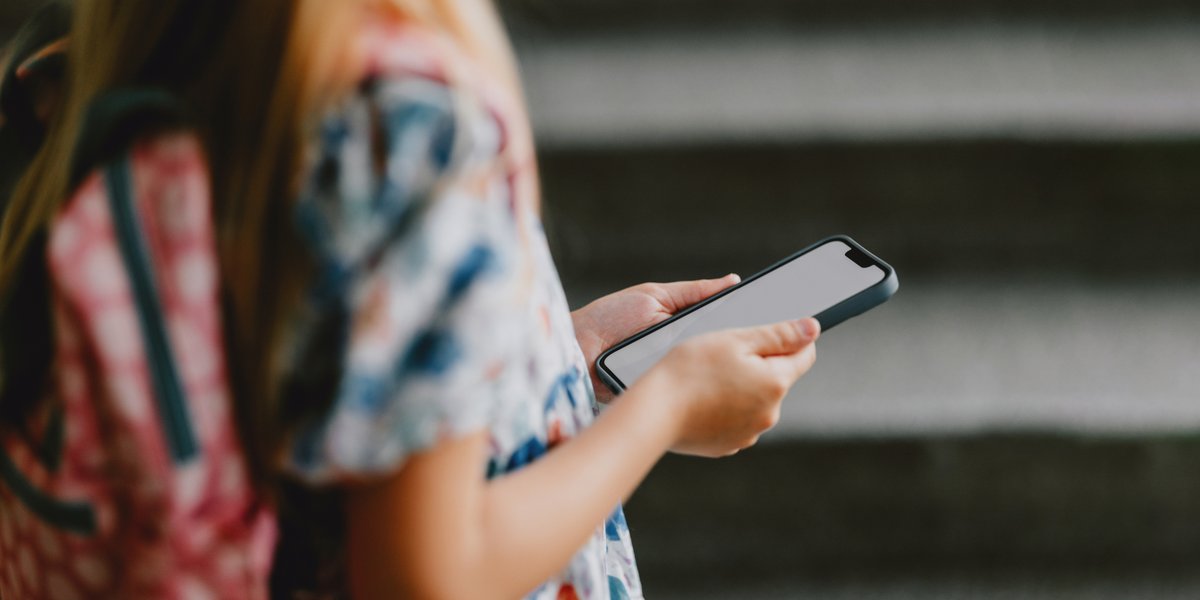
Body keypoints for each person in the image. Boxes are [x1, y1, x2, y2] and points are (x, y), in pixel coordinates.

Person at [0, 0, 821, 598]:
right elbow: (428, 576)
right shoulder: (416, 128)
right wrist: (668, 405)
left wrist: (561, 362)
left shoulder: (175, 50)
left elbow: (317, 388)